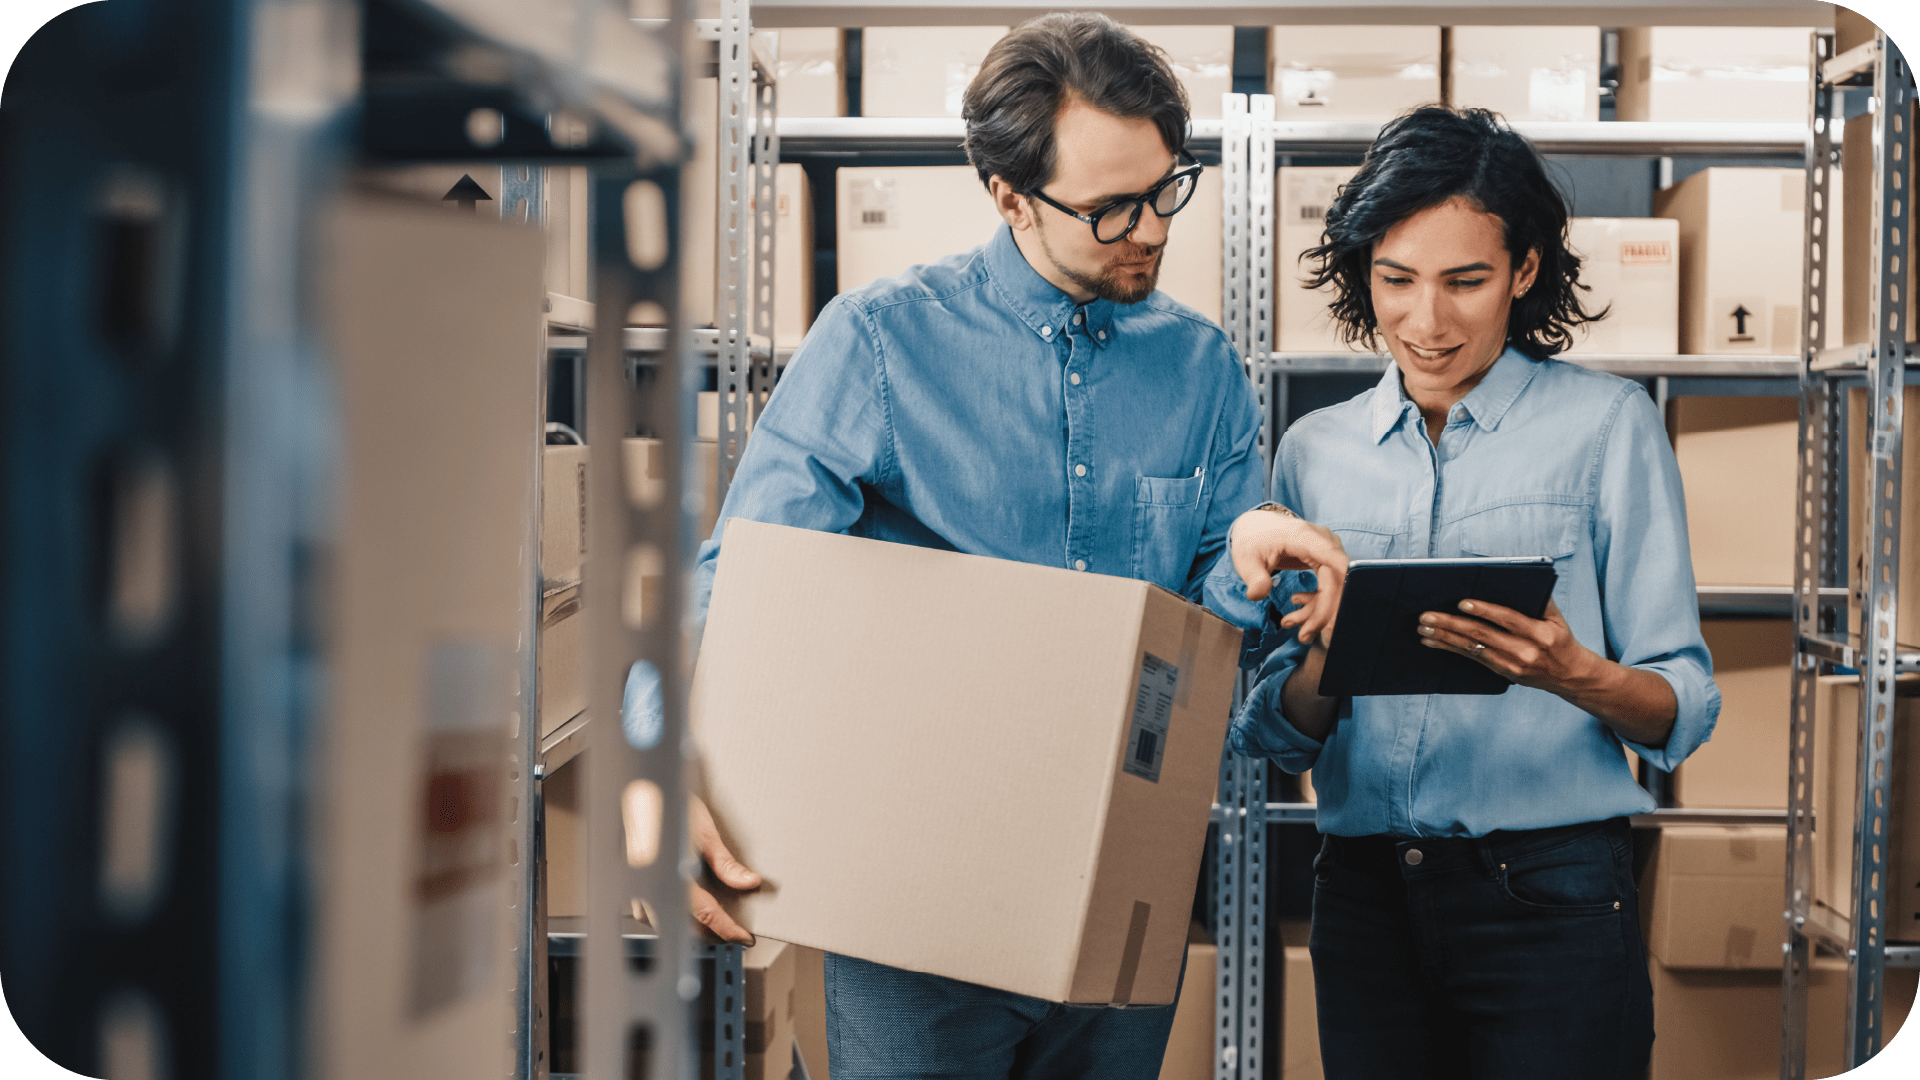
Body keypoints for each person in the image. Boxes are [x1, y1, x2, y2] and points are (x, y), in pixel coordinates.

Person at [682, 13, 1348, 1080]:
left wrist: (1251, 561)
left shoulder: (1202, 371)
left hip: (1122, 886)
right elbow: (743, 584)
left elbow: (1210, 639)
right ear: (1007, 196)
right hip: (912, 900)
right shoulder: (882, 342)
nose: (1150, 229)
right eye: (1109, 208)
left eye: (1166, 188)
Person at [1232, 106, 1720, 1080]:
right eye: (1396, 281)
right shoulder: (1312, 452)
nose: (1426, 321)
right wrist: (1331, 654)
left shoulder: (1610, 427)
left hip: (1551, 889)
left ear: (1524, 271)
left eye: (1466, 281)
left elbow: (1684, 709)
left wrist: (1574, 673)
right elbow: (1277, 735)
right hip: (1365, 895)